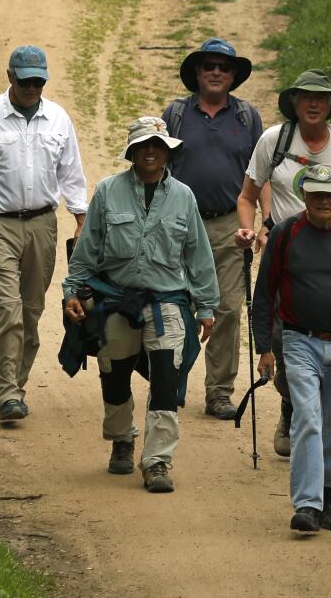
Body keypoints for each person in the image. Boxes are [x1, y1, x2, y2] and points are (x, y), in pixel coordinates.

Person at [61, 116, 220, 493]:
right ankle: (121, 438)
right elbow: (86, 251)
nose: (151, 151)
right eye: (143, 145)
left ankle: (157, 461)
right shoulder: (107, 192)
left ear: (167, 151)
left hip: (166, 301)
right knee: (113, 375)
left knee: (167, 378)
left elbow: (198, 255)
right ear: (131, 152)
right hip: (116, 299)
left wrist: (206, 306)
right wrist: (71, 290)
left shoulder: (183, 196)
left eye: (158, 145)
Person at [235, 68, 331, 456]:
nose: (314, 104)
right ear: (294, 104)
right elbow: (247, 195)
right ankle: (293, 405)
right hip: (288, 252)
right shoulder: (275, 141)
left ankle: (313, 419)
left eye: (321, 98)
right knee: (285, 342)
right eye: (305, 97)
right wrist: (250, 230)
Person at [251, 164, 331, 534]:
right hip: (298, 340)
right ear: (304, 194)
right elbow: (264, 295)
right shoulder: (285, 233)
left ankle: (328, 496)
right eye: (315, 193)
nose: (323, 200)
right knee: (307, 418)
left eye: (330, 193)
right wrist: (264, 347)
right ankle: (307, 504)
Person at [0, 45, 88, 425]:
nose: (32, 87)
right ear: (10, 77)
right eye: (26, 81)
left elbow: (71, 170)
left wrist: (80, 216)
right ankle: (5, 393)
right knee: (7, 307)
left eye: (38, 80)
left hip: (42, 223)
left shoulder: (57, 118)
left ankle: (16, 386)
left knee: (32, 311)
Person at [161, 38, 265, 420]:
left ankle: (219, 392)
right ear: (197, 73)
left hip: (228, 226)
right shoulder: (175, 114)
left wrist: (261, 223)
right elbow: (155, 166)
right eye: (209, 66)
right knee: (176, 305)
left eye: (224, 67)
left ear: (233, 75)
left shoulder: (247, 117)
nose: (216, 72)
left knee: (227, 309)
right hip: (180, 223)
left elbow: (261, 174)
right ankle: (171, 382)